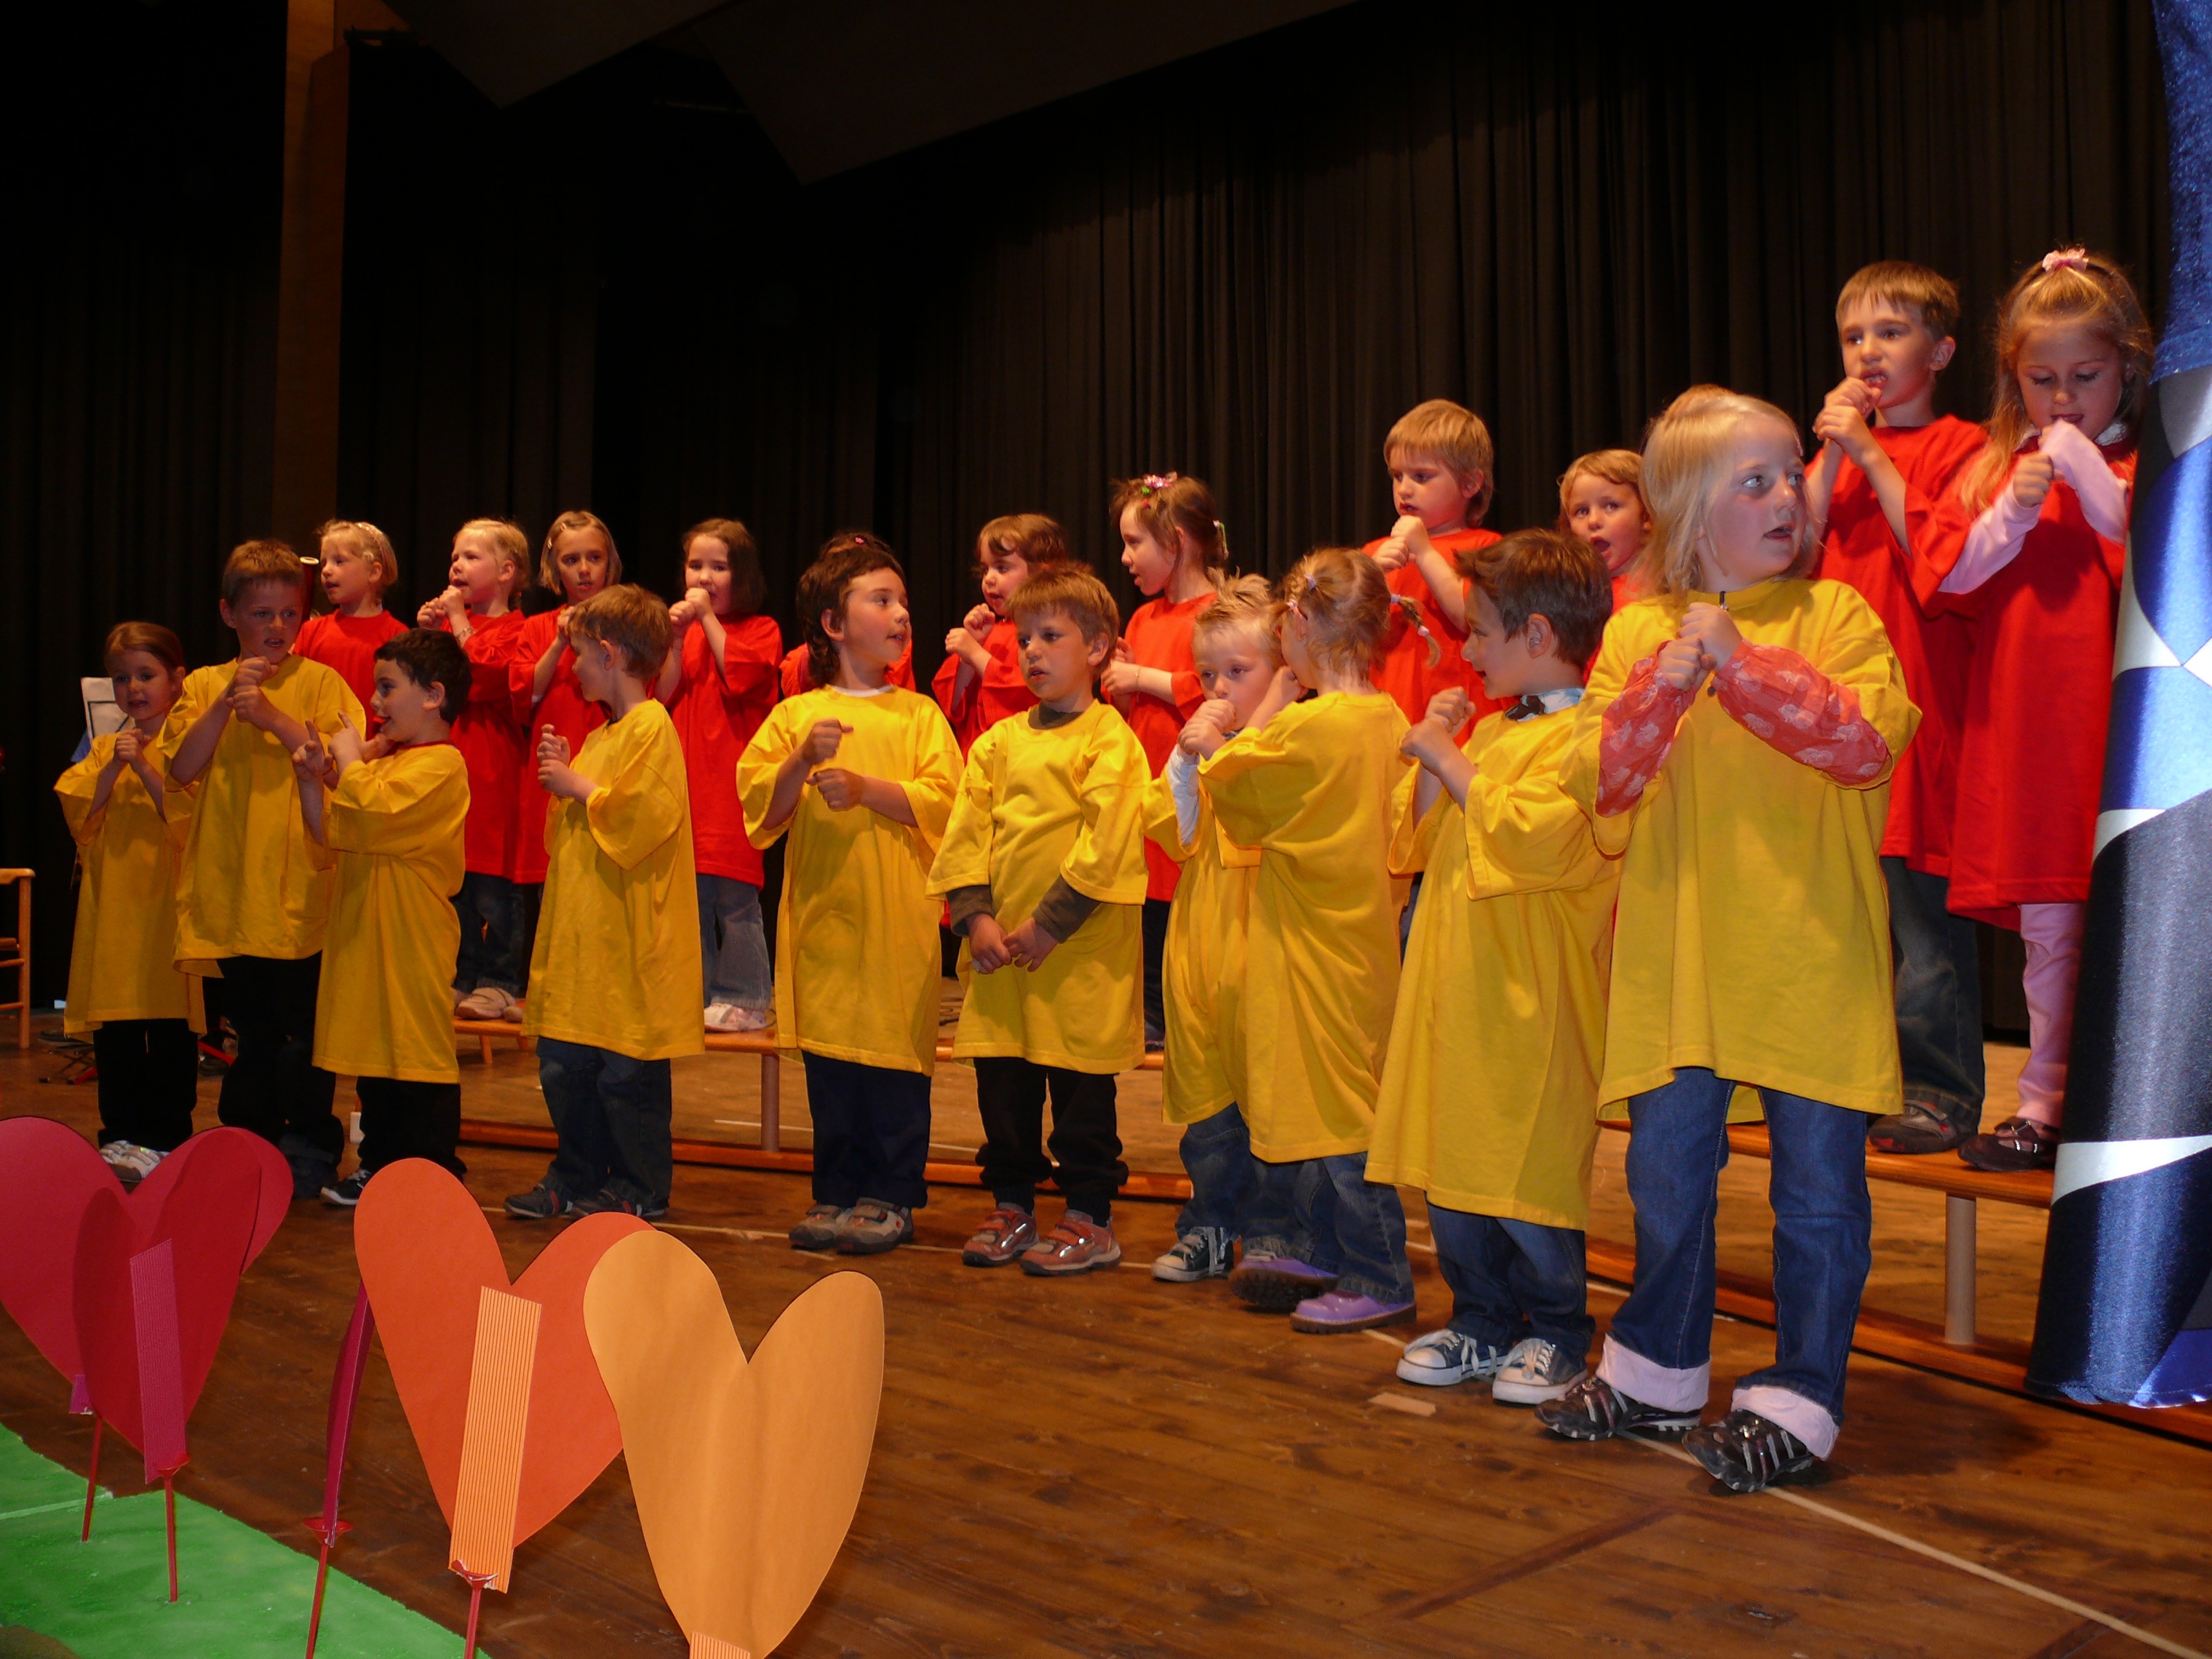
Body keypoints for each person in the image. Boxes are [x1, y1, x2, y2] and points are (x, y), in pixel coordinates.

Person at [1540, 389, 1919, 1494]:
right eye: (1754, 480)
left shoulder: (1837, 615)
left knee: (1817, 1193)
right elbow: (1601, 783)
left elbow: (1864, 744)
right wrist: (1662, 687)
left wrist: (1741, 663)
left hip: (1808, 955)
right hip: (1680, 964)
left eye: (1790, 471)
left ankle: (1800, 1397)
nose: (1787, 495)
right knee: (1665, 1177)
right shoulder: (1636, 631)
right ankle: (1657, 1368)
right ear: (1687, 511)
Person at [1369, 532, 1619, 1402]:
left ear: (1537, 635)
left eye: (1479, 632)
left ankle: (1556, 1329)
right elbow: (1420, 841)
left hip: (1531, 1001)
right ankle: (1479, 1318)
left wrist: (1449, 758)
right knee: (1454, 1168)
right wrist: (1441, 749)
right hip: (1457, 990)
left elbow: (1533, 838)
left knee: (1526, 1175)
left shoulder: (1591, 735)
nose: (1467, 649)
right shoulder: (1487, 730)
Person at [1919, 249, 2152, 1173]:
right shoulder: (1995, 470)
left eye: (2083, 377)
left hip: (2129, 736)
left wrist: (2089, 476)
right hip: (2032, 737)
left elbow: (2159, 562)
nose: (2061, 399)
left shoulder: (2153, 462)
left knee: (2134, 927)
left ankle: (2131, 1106)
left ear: (2126, 364)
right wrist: (2010, 515)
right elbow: (1946, 580)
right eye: (2039, 379)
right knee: (2052, 935)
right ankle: (2044, 1103)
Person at [1199, 547, 1417, 1334]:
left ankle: (1380, 1272)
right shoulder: (1389, 718)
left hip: (1315, 945)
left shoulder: (1309, 728)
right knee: (1331, 1101)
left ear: (1298, 627)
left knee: (1342, 1115)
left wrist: (1227, 732)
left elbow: (1236, 789)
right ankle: (1324, 1251)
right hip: (1363, 941)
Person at [1802, 261, 1990, 1155]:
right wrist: (1835, 452)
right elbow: (1791, 554)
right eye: (1853, 336)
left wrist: (1870, 453)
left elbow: (1943, 561)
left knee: (1924, 928)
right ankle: (1847, 1082)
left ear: (1940, 352)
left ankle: (1939, 1094)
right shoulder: (1835, 458)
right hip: (1835, 717)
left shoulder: (1965, 446)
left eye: (1890, 332)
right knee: (1841, 924)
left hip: (1919, 715)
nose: (1868, 351)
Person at [739, 536, 962, 1254]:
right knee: (833, 1070)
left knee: (893, 1067)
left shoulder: (919, 715)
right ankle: (835, 1192)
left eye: (903, 601)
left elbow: (947, 802)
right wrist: (802, 759)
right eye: (882, 600)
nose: (901, 614)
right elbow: (762, 810)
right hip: (825, 928)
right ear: (834, 624)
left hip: (895, 927)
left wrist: (867, 789)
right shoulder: (796, 717)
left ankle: (891, 1195)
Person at [929, 565, 1150, 1276]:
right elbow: (965, 835)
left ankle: (1089, 1215)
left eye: (1050, 636)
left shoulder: (1110, 740)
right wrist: (976, 919)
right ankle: (1012, 1204)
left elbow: (1107, 841)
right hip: (1003, 963)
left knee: (1082, 1098)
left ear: (1098, 648)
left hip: (1077, 962)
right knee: (1005, 1093)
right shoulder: (997, 743)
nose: (1031, 651)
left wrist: (1051, 924)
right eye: (1024, 638)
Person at [165, 539, 365, 1197]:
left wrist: (275, 718)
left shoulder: (322, 683)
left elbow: (343, 769)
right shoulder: (204, 685)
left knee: (304, 1036)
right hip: (232, 897)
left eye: (289, 614)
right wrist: (228, 702)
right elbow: (181, 768)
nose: (277, 627)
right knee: (250, 1033)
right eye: (261, 614)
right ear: (229, 614)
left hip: (302, 895)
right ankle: (245, 1149)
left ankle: (308, 1149)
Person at [506, 585, 703, 1220]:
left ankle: (639, 1187)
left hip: (627, 943)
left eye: (581, 654)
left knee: (626, 1078)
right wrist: (569, 780)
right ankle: (576, 1174)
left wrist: (578, 787)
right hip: (583, 942)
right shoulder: (599, 736)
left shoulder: (652, 726)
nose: (573, 666)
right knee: (566, 1070)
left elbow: (644, 818)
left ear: (610, 655)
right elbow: (568, 837)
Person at [291, 629, 472, 1204]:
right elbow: (334, 833)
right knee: (378, 1056)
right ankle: (381, 1163)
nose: (374, 702)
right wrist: (312, 781)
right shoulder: (389, 764)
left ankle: (431, 1171)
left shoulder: (442, 765)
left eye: (388, 688)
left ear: (433, 695)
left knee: (416, 1056)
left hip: (411, 934)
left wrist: (349, 759)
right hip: (368, 930)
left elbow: (374, 814)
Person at [1144, 576, 1276, 1284]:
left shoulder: (1285, 745)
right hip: (1200, 956)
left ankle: (1280, 1238)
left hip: (1267, 961)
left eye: (1237, 671)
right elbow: (1175, 829)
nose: (1219, 688)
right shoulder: (1199, 746)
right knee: (1210, 1121)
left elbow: (1263, 823)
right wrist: (1187, 758)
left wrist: (1224, 753)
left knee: (1273, 1114)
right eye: (1207, 675)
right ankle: (1209, 1227)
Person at [56, 623, 202, 1183]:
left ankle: (165, 1139)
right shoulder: (103, 748)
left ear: (177, 680)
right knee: (116, 1035)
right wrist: (116, 763)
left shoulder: (190, 746)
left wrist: (142, 764)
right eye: (122, 678)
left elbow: (187, 819)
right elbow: (80, 816)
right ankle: (118, 1137)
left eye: (146, 675)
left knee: (168, 1034)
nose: (134, 688)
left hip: (167, 915)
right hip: (115, 916)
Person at [1103, 474, 1225, 1049]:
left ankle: (1187, 1014)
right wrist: (1121, 685)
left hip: (1195, 792)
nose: (1125, 558)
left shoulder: (1218, 613)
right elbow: (1132, 714)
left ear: (1176, 542)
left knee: (1188, 899)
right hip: (1150, 787)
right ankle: (1153, 1014)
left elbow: (1217, 695)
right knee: (1152, 903)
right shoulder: (1142, 619)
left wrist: (1142, 677)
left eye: (1135, 543)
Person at [661, 518, 784, 1034]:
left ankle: (746, 996)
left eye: (719, 566)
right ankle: (699, 994)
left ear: (743, 574)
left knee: (735, 899)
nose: (704, 576)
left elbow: (738, 677)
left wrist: (707, 618)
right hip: (686, 785)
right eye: (696, 565)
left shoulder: (762, 630)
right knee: (691, 899)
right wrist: (673, 639)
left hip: (731, 787)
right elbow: (661, 694)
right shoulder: (686, 632)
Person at [420, 518, 529, 1022]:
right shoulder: (448, 626)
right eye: (454, 557)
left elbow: (484, 678)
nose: (456, 566)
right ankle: (460, 977)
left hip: (494, 771)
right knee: (457, 885)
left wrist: (458, 619)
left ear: (506, 572)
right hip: (448, 768)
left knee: (495, 889)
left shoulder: (520, 629)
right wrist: (428, 635)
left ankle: (500, 981)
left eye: (470, 557)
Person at [511, 510, 618, 983]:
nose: (584, 570)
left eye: (594, 558)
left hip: (607, 767)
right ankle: (549, 986)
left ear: (610, 562)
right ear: (554, 568)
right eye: (571, 560)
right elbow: (524, 696)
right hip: (553, 768)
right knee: (550, 882)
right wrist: (559, 642)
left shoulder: (627, 619)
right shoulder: (537, 628)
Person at [1366, 399, 1505, 725]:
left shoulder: (1486, 548)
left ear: (1470, 484)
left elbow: (1470, 618)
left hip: (1459, 716)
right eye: (1397, 476)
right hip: (1390, 712)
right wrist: (1370, 576)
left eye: (1421, 476)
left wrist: (1425, 553)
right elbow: (1339, 633)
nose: (1404, 489)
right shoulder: (1376, 553)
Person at [932, 514, 1073, 752]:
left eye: (1002, 568)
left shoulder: (1051, 634)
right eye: (985, 569)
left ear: (1041, 572)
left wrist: (976, 655)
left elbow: (1029, 694)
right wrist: (970, 655)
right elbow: (954, 707)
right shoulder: (990, 633)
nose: (989, 579)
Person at [294, 520, 407, 710]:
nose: (326, 571)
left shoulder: (397, 637)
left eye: (339, 561)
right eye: (324, 563)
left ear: (373, 572)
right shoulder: (311, 631)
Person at [1558, 450, 1653, 612]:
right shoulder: (1573, 599)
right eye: (1582, 511)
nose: (1593, 521)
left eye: (1611, 506)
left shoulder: (1666, 591)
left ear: (1646, 516)